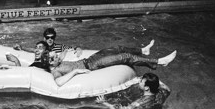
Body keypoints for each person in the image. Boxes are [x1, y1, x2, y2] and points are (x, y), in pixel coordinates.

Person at [45, 40, 176, 86]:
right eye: (54, 56)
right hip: (91, 65)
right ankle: (159, 62)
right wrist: (76, 71)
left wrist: (73, 48)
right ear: (51, 62)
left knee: (116, 48)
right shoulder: (55, 70)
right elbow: (58, 82)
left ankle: (143, 50)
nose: (57, 55)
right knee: (125, 57)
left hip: (89, 59)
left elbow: (63, 52)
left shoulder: (57, 61)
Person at [14, 27, 83, 57]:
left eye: (52, 37)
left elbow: (72, 48)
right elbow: (33, 50)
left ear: (54, 38)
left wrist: (78, 48)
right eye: (47, 37)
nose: (50, 39)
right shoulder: (41, 48)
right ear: (44, 38)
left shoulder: (60, 47)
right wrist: (22, 48)